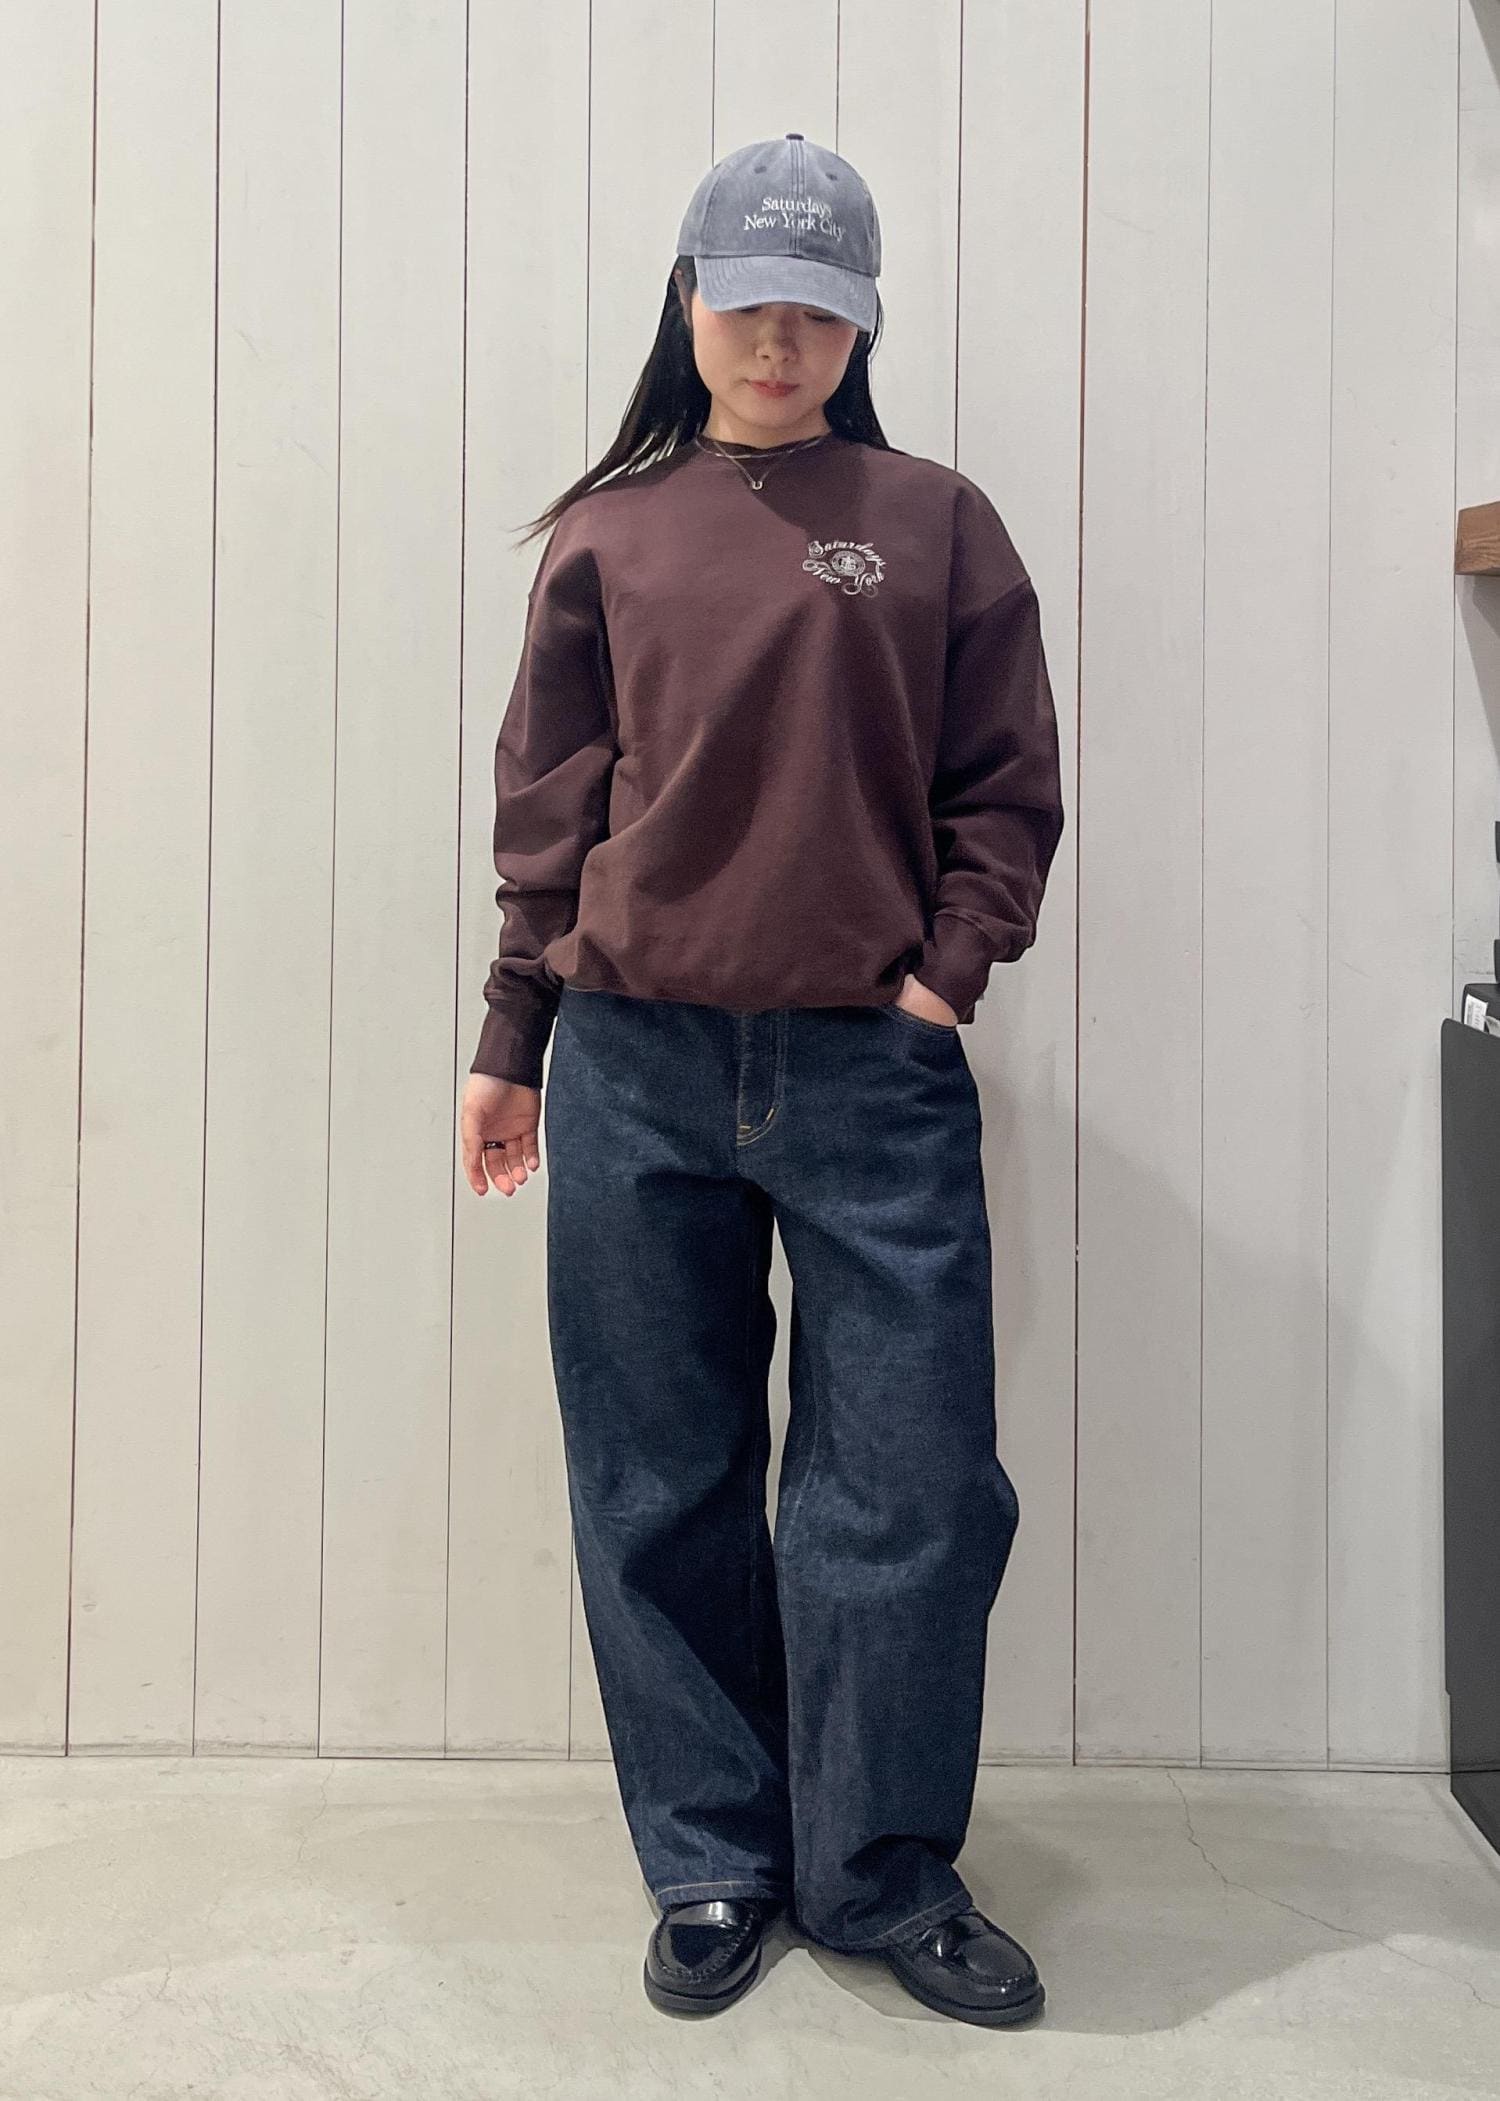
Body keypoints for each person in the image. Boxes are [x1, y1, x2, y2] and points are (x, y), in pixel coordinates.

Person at [458, 133, 1064, 2029]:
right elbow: (550, 811)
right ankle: (714, 1850)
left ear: (864, 321)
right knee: (658, 1474)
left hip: (874, 1072)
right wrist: (512, 1039)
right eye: (748, 301)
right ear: (688, 300)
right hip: (634, 1059)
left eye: (820, 306)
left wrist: (945, 975)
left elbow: (1006, 784)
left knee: (911, 1483)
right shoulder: (610, 536)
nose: (779, 338)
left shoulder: (937, 523)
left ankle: (880, 1865)